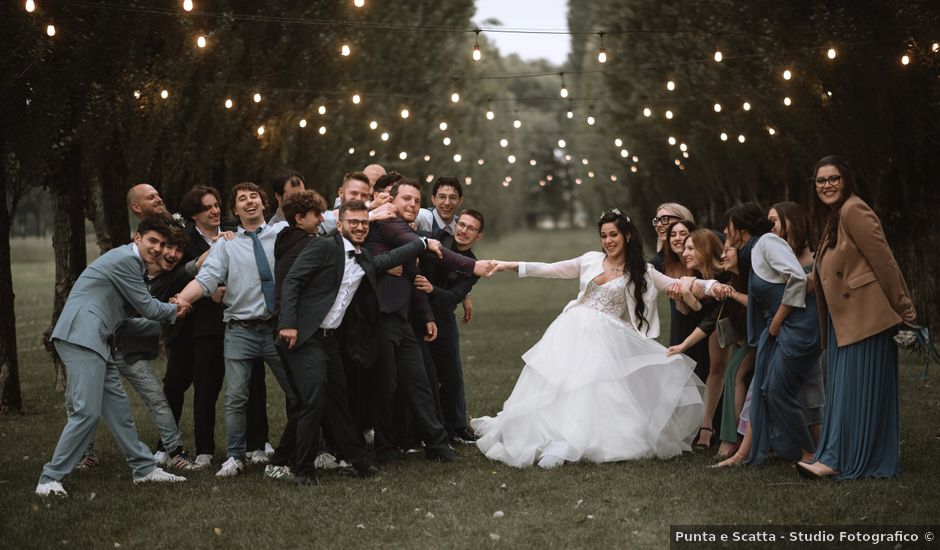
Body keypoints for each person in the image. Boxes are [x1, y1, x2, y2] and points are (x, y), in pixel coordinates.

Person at [472, 210, 708, 469]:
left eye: (613, 235)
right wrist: (510, 265)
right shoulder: (590, 260)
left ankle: (575, 440)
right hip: (570, 329)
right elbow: (551, 269)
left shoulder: (644, 271)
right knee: (560, 385)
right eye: (604, 236)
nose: (608, 241)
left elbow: (676, 285)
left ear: (627, 236)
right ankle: (552, 436)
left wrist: (712, 287)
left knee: (591, 388)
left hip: (605, 337)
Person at [277, 200, 441, 485]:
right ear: (339, 224)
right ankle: (301, 469)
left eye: (364, 222)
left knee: (340, 399)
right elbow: (292, 281)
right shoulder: (323, 246)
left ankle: (358, 461)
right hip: (305, 336)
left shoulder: (363, 256)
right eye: (353, 221)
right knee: (314, 398)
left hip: (331, 340)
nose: (359, 226)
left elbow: (386, 260)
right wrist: (288, 324)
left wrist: (422, 243)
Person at [36, 218, 189, 497]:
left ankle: (143, 469)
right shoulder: (125, 261)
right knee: (87, 412)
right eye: (152, 241)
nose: (157, 248)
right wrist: (174, 309)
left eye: (162, 244)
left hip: (97, 339)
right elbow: (145, 306)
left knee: (118, 410)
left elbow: (131, 309)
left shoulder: (133, 264)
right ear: (137, 238)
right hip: (82, 335)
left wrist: (165, 308)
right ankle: (49, 479)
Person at [363, 178, 496, 465]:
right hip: (382, 317)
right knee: (386, 386)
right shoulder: (388, 224)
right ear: (392, 202)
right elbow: (427, 250)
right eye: (405, 199)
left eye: (414, 200)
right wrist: (473, 266)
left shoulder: (407, 229)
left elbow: (414, 276)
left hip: (403, 319)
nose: (411, 205)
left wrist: (425, 316)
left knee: (420, 381)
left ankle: (437, 443)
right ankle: (387, 450)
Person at [798, 155, 915, 480]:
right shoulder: (836, 216)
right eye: (821, 181)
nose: (827, 185)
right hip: (844, 320)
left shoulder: (855, 210)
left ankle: (838, 459)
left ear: (846, 179)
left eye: (833, 178)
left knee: (854, 390)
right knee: (842, 389)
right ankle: (841, 455)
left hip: (866, 317)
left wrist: (904, 308)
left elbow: (884, 261)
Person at [175, 182, 298, 478]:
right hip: (240, 330)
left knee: (297, 390)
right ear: (235, 210)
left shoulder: (283, 235)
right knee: (236, 397)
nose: (249, 202)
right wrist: (182, 299)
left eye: (254, 196)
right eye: (242, 199)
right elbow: (206, 279)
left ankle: (303, 447)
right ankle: (234, 456)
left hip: (276, 328)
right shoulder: (226, 245)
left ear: (264, 204)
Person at [715, 203, 820, 467]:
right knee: (765, 388)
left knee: (777, 391)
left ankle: (809, 453)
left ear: (740, 229)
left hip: (797, 326)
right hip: (779, 328)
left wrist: (776, 322)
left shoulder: (767, 243)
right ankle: (744, 454)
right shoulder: (752, 251)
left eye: (727, 228)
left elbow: (798, 279)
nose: (725, 233)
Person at [415, 210, 485, 444]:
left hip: (443, 317)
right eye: (462, 225)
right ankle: (429, 427)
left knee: (452, 374)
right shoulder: (436, 239)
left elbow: (452, 297)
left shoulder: (473, 265)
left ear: (479, 236)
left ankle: (457, 426)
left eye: (471, 228)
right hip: (416, 314)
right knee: (425, 375)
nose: (464, 230)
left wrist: (433, 290)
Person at [666, 229, 728, 452]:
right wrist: (685, 298)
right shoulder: (699, 278)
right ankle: (707, 426)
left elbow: (713, 318)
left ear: (705, 249)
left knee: (731, 372)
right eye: (685, 248)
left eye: (691, 248)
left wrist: (683, 345)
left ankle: (728, 433)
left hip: (740, 328)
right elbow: (703, 312)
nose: (685, 253)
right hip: (718, 330)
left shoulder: (724, 276)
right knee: (717, 369)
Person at [650, 202, 694, 272]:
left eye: (664, 219)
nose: (658, 225)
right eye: (656, 221)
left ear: (683, 221)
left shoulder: (707, 251)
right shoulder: (655, 266)